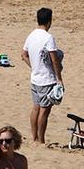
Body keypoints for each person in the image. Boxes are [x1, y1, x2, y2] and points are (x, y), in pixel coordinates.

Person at [21, 8, 62, 145]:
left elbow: (24, 55)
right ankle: (41, 140)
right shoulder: (48, 37)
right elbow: (54, 59)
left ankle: (34, 138)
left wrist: (34, 67)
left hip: (35, 78)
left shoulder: (31, 35)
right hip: (46, 80)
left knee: (36, 108)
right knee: (44, 111)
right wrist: (59, 78)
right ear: (49, 21)